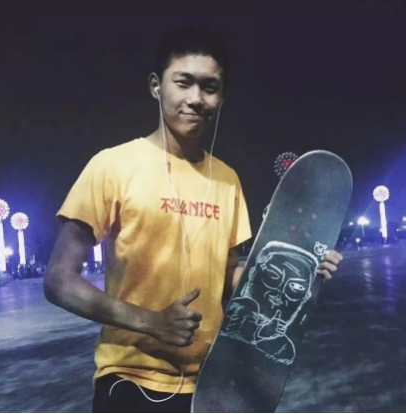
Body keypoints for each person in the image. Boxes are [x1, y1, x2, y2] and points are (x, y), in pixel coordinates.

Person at [44, 26, 344, 414]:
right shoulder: (112, 166)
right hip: (130, 380)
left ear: (222, 97)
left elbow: (228, 281)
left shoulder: (227, 180)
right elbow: (59, 280)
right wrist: (151, 322)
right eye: (183, 83)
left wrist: (301, 270)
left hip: (212, 385)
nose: (196, 99)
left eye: (209, 87)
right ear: (156, 86)